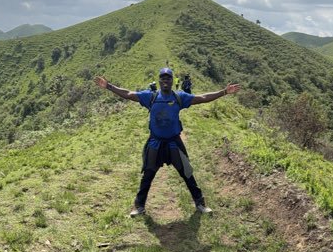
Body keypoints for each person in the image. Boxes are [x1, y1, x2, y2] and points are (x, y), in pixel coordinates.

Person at [95, 67, 241, 217]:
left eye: (168, 78)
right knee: (148, 175)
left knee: (187, 173)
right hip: (155, 143)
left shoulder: (180, 97)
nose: (165, 80)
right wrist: (109, 86)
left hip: (173, 143)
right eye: (163, 78)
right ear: (159, 81)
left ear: (172, 81)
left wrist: (224, 92)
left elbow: (202, 98)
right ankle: (139, 207)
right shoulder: (150, 97)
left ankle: (200, 204)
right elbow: (128, 94)